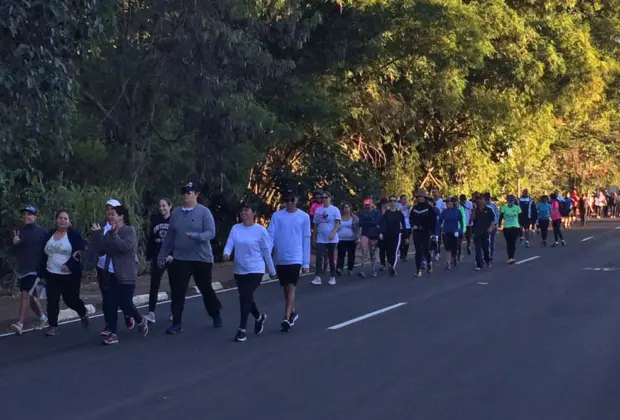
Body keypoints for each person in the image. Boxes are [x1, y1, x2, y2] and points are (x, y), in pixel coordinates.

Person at [157, 182, 223, 334]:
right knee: (178, 290)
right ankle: (177, 322)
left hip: (201, 258)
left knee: (205, 288)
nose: (186, 195)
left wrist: (196, 236)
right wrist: (162, 255)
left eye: (190, 192)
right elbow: (170, 236)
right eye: (185, 192)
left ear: (196, 194)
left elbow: (211, 233)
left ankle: (215, 314)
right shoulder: (176, 213)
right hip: (181, 257)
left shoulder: (204, 212)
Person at [91, 206, 148, 344]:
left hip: (126, 274)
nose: (110, 217)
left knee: (125, 303)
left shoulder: (129, 231)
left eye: (113, 214)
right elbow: (101, 250)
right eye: (109, 215)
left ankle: (140, 320)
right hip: (110, 274)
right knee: (110, 304)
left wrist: (114, 234)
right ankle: (113, 333)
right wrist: (98, 234)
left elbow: (125, 247)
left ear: (121, 216)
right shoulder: (108, 233)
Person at [223, 202, 276, 342]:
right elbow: (230, 243)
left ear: (253, 213)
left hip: (255, 269)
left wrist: (271, 269)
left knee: (245, 296)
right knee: (246, 297)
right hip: (240, 269)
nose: (244, 213)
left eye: (247, 210)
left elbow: (266, 251)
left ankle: (242, 329)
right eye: (242, 211)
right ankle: (259, 317)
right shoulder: (236, 228)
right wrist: (226, 253)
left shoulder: (260, 231)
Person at [87, 198, 134, 336]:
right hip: (104, 267)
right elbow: (97, 248)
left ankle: (129, 315)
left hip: (122, 269)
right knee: (108, 299)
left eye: (113, 210)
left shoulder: (126, 228)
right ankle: (110, 326)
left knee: (124, 300)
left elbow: (125, 247)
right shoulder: (101, 226)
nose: (109, 212)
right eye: (107, 209)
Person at [267, 189, 311, 332]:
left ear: (297, 200)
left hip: (295, 257)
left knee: (291, 286)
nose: (290, 203)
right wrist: (266, 256)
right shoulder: (277, 216)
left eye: (292, 200)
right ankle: (292, 311)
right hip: (281, 257)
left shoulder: (303, 217)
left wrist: (305, 263)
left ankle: (286, 318)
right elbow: (270, 236)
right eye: (287, 200)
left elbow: (306, 239)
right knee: (286, 287)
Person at [41, 211, 90, 336]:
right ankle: (53, 325)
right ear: (56, 220)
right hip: (51, 274)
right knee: (52, 300)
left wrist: (69, 265)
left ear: (69, 221)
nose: (63, 220)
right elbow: (43, 252)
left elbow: (79, 252)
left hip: (69, 276)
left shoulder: (74, 236)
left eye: (65, 218)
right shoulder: (50, 234)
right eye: (60, 218)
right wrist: (41, 271)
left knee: (71, 300)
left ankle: (83, 312)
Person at [10, 205, 49, 335]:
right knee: (30, 297)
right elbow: (15, 251)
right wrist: (15, 243)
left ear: (35, 216)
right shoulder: (19, 232)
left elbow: (48, 251)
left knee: (25, 294)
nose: (26, 216)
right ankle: (43, 318)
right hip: (23, 269)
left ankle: (20, 323)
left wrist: (44, 270)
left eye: (30, 214)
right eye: (25, 214)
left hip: (35, 270)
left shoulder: (42, 232)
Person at [144, 197, 173, 323]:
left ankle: (174, 311)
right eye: (160, 206)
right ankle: (151, 312)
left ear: (170, 206)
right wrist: (149, 256)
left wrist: (173, 254)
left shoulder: (175, 221)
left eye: (164, 206)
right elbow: (151, 238)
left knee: (175, 285)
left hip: (172, 257)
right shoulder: (155, 221)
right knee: (154, 284)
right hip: (158, 256)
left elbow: (179, 239)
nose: (162, 208)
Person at [311, 192, 341, 286]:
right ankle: (317, 277)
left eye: (325, 197)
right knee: (319, 257)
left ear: (330, 198)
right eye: (322, 198)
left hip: (331, 238)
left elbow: (337, 223)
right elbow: (315, 224)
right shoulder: (318, 210)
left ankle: (332, 276)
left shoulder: (335, 210)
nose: (323, 199)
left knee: (331, 257)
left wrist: (333, 233)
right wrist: (314, 238)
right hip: (321, 237)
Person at [410, 189, 436, 277]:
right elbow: (411, 218)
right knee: (418, 251)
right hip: (417, 232)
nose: (420, 198)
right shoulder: (415, 208)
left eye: (421, 197)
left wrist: (432, 232)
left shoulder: (429, 208)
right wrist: (413, 225)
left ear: (425, 198)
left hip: (426, 231)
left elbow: (433, 220)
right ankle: (418, 269)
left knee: (426, 249)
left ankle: (429, 262)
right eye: (418, 197)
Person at [379, 196, 407, 276]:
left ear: (396, 203)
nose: (393, 203)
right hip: (387, 235)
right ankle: (390, 264)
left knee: (394, 250)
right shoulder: (386, 213)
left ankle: (393, 267)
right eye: (391, 201)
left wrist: (406, 236)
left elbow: (403, 224)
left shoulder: (399, 213)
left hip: (397, 234)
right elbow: (383, 224)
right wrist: (381, 233)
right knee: (389, 251)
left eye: (394, 201)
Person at [435, 197, 463, 270]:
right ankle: (448, 262)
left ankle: (454, 257)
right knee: (447, 248)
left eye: (448, 202)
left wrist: (460, 230)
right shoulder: (444, 211)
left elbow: (461, 221)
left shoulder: (457, 211)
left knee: (454, 247)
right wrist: (437, 232)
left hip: (455, 232)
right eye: (446, 203)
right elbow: (439, 221)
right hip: (446, 232)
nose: (446, 204)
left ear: (452, 203)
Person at [357, 198, 382, 278]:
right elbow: (361, 223)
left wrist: (368, 223)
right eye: (366, 205)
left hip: (373, 234)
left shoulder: (376, 212)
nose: (367, 206)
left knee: (373, 253)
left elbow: (377, 222)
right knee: (364, 252)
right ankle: (362, 270)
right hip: (365, 233)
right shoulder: (362, 213)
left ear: (372, 204)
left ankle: (374, 269)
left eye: (368, 204)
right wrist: (370, 222)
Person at [471, 194, 495, 270]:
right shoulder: (475, 209)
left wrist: (491, 228)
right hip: (477, 231)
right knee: (477, 248)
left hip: (485, 232)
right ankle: (479, 264)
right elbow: (472, 219)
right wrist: (474, 209)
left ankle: (487, 260)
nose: (480, 201)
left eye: (481, 199)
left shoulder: (489, 209)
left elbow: (492, 220)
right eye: (478, 199)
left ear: (484, 200)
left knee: (485, 248)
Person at [336, 203, 359, 276]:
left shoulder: (354, 218)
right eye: (345, 207)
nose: (346, 209)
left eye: (348, 207)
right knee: (341, 254)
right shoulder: (339, 217)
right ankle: (339, 268)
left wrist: (357, 237)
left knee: (351, 255)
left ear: (350, 208)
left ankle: (350, 269)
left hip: (351, 239)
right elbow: (335, 227)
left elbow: (358, 229)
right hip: (341, 239)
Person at [498, 195, 521, 264]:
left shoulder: (517, 208)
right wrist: (499, 224)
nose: (510, 202)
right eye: (509, 201)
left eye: (512, 201)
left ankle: (512, 257)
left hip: (515, 227)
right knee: (508, 243)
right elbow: (501, 216)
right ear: (507, 201)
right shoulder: (504, 208)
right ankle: (510, 257)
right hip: (507, 227)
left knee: (513, 243)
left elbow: (520, 217)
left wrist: (521, 226)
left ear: (514, 201)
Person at [484, 193, 500, 262]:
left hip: (493, 226)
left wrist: (495, 224)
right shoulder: (482, 206)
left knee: (492, 242)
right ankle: (485, 256)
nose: (487, 201)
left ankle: (491, 256)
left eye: (488, 199)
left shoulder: (493, 205)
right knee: (484, 242)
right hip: (484, 226)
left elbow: (497, 215)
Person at [397, 195, 412, 262]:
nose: (405, 200)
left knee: (407, 241)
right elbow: (398, 211)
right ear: (400, 200)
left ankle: (405, 254)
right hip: (400, 226)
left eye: (406, 199)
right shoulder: (398, 205)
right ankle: (402, 254)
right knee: (401, 241)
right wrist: (404, 207)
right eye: (403, 199)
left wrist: (409, 209)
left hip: (408, 226)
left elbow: (410, 215)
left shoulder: (409, 206)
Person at [377, 197, 389, 270]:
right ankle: (382, 264)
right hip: (380, 232)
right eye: (385, 203)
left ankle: (390, 262)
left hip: (388, 232)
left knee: (389, 249)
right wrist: (380, 232)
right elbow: (377, 221)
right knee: (382, 249)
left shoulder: (389, 211)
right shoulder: (377, 212)